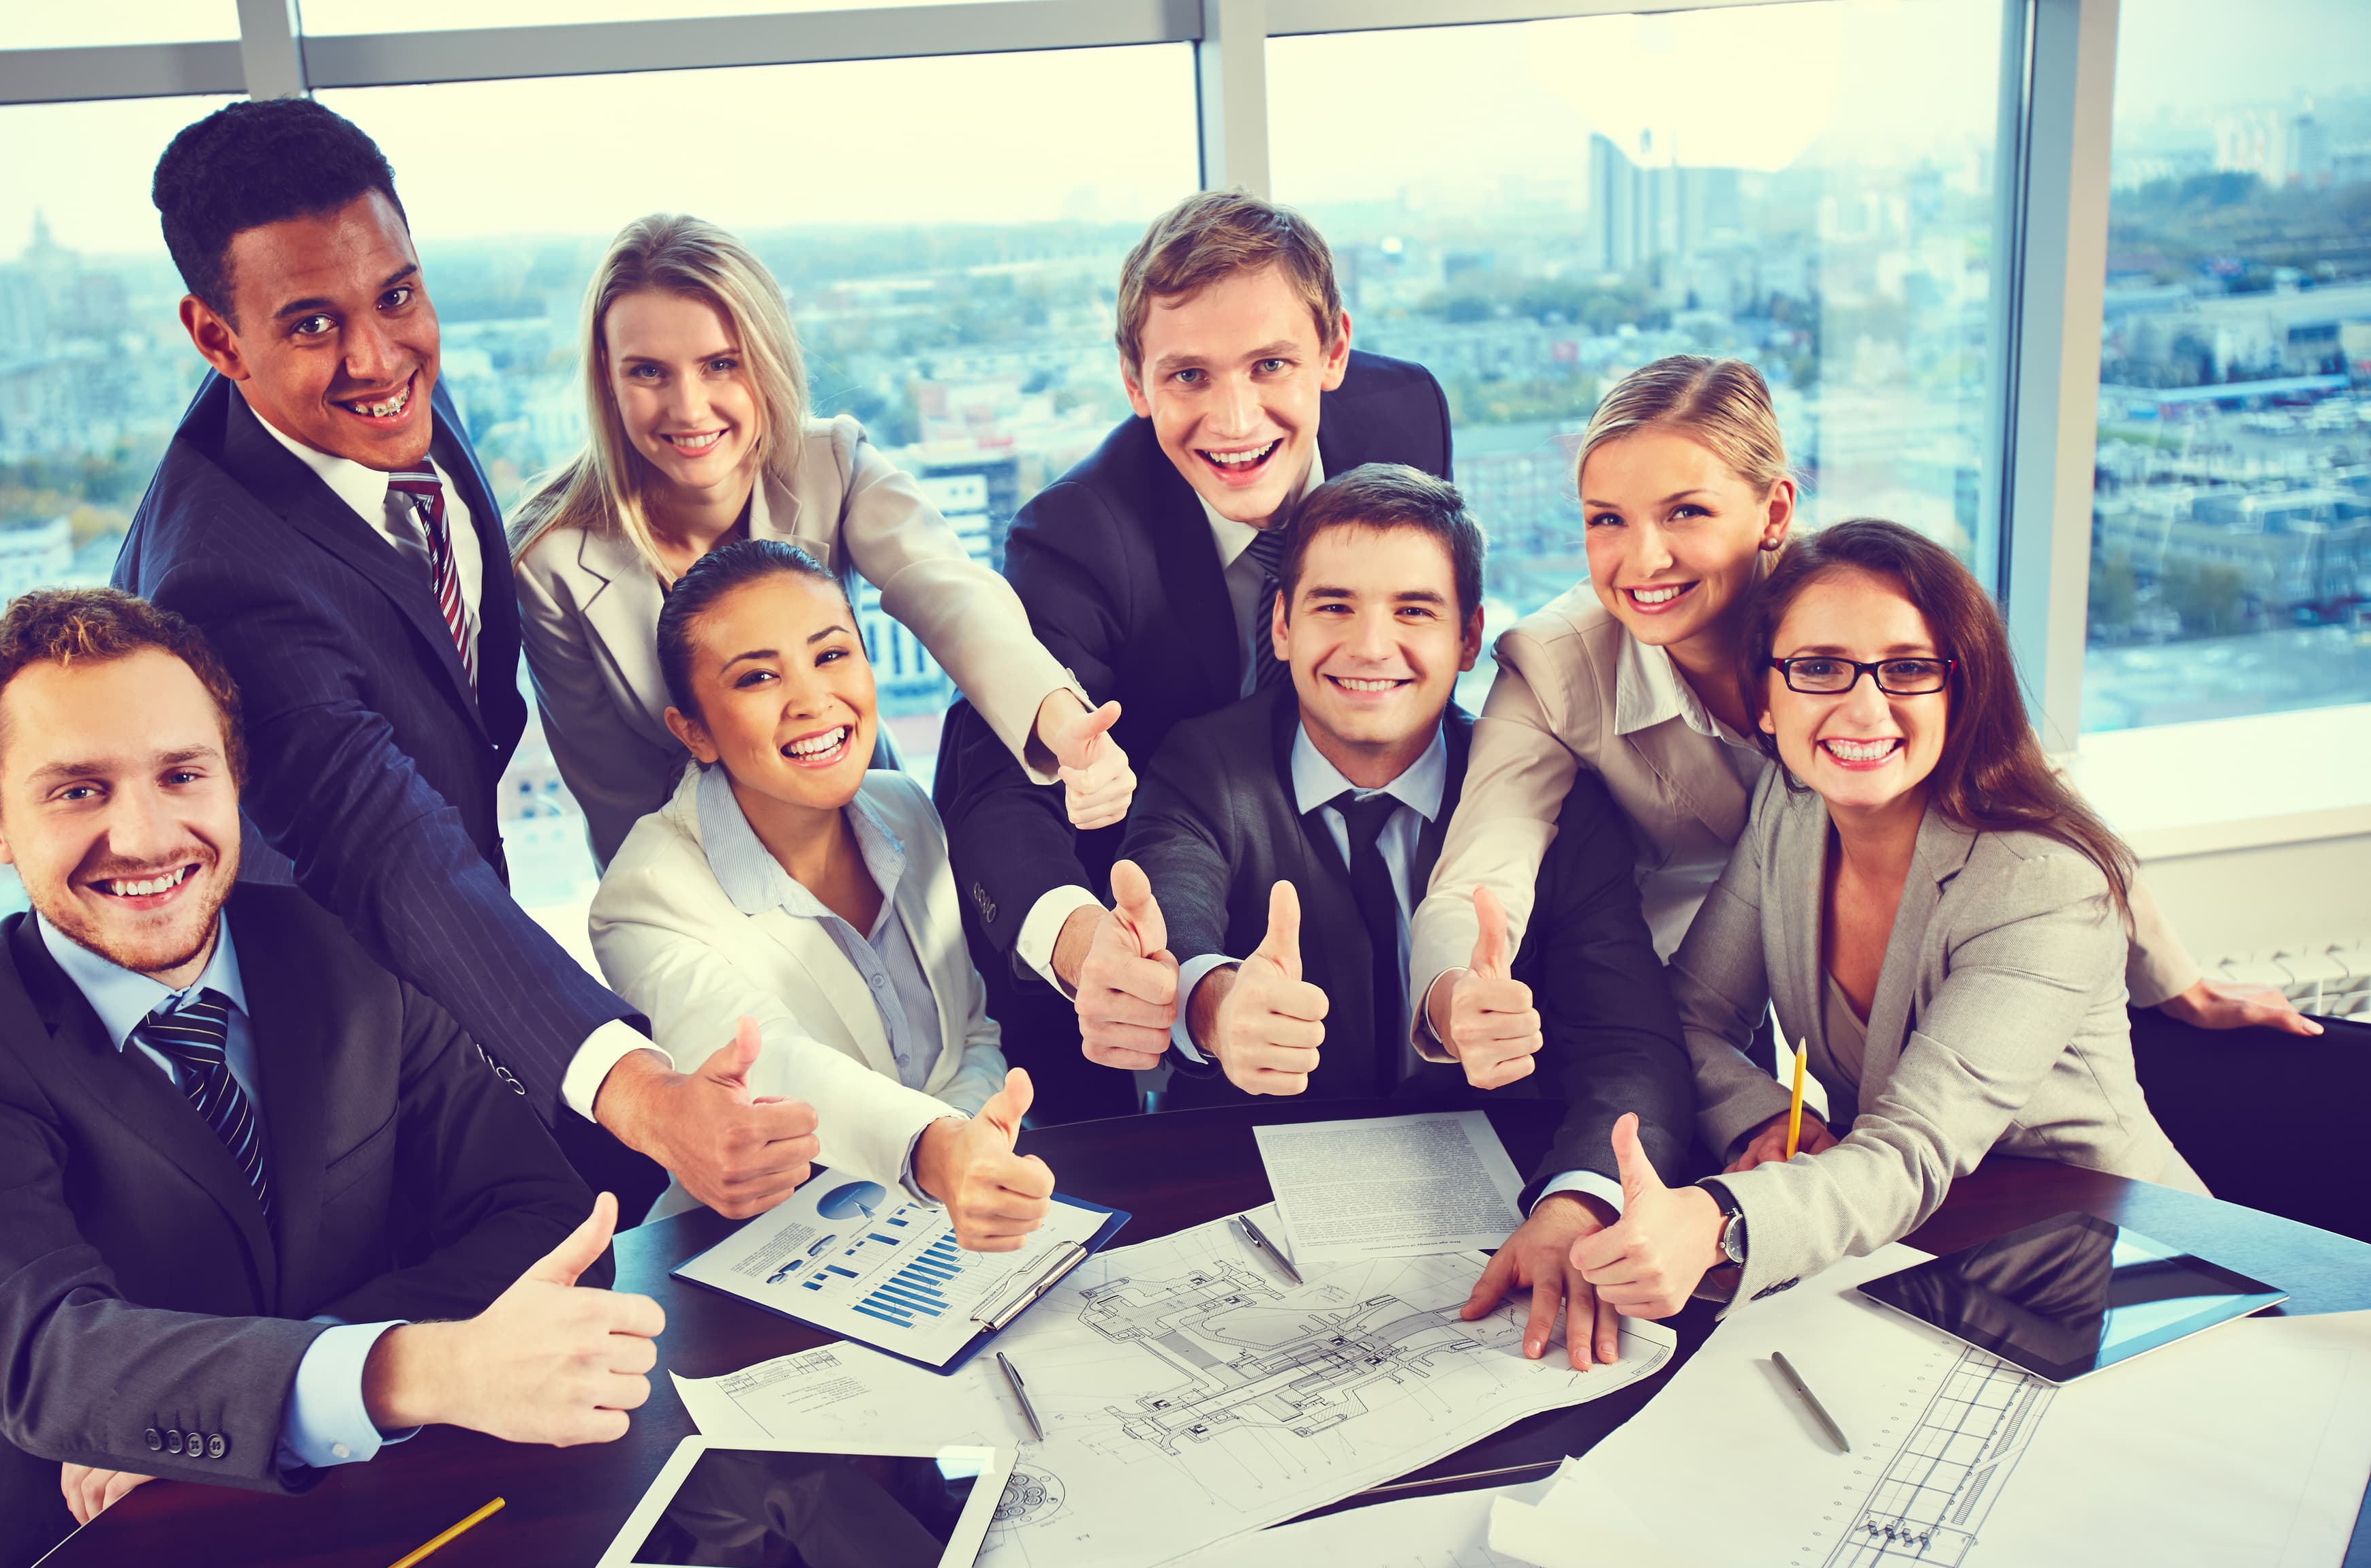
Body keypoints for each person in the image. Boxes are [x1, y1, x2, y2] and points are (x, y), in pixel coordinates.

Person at [0, 591, 664, 1568]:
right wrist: (413, 1371)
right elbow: (50, 1358)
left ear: (233, 779)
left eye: (182, 775)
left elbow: (544, 1227)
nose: (144, 835)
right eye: (78, 790)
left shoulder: (348, 951)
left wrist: (210, 1410)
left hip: (383, 1525)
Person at [116, 98, 808, 1226]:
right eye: (312, 325)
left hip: (473, 988)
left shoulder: (378, 400)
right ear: (218, 339)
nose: (378, 358)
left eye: (396, 295)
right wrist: (640, 1094)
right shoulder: (224, 584)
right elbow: (388, 849)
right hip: (349, 1074)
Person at [1409, 354, 2315, 1104]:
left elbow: (2023, 784)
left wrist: (2178, 983)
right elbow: (1483, 867)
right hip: (1685, 1002)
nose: (1644, 559)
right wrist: (1456, 992)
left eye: (1687, 511)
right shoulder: (1557, 665)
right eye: (1607, 520)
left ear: (1774, 511)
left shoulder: (1863, 604)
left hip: (1883, 955)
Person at [1110, 465, 1692, 1368]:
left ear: (1470, 639)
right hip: (1253, 1234)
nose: (1370, 645)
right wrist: (1217, 1005)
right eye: (1334, 606)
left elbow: (1634, 1049)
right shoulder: (1201, 764)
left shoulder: (1548, 793)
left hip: (1499, 1227)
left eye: (1414, 611)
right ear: (1282, 625)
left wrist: (1576, 1204)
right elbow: (1173, 908)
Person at [1567, 520, 2207, 1319]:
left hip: (2123, 1268)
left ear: (1961, 692)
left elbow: (1912, 1147)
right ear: (1764, 699)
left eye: (1908, 668)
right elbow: (1690, 1016)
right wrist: (1760, 1115)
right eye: (1819, 668)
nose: (1865, 709)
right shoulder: (1791, 807)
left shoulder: (2041, 882)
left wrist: (1724, 1219)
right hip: (1922, 1252)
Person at [932, 189, 1454, 1122]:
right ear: (1136, 383)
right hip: (1136, 911)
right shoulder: (1079, 535)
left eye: (1271, 365)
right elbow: (999, 789)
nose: (1236, 420)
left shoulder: (1405, 418)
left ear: (1335, 351)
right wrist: (1083, 948)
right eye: (1188, 377)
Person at [510, 213, 1133, 872]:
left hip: (872, 840)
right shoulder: (550, 561)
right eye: (648, 372)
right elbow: (617, 800)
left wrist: (1060, 722)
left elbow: (950, 594)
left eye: (721, 364)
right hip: (697, 882)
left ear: (766, 360)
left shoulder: (830, 461)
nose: (688, 408)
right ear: (606, 376)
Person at [587, 541, 1055, 1251]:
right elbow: (776, 1069)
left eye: (831, 655)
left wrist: (971, 1148)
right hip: (751, 1253)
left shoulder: (906, 810)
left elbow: (969, 1035)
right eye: (758, 677)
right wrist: (937, 1154)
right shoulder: (643, 896)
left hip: (933, 1235)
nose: (812, 701)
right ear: (695, 732)